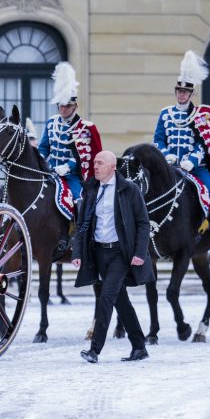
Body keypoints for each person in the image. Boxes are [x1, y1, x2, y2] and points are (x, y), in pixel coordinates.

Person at [72, 150, 155, 363]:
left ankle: (94, 350)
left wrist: (139, 252)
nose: (95, 166)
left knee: (106, 297)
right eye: (94, 163)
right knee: (121, 301)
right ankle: (139, 347)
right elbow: (82, 225)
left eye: (99, 163)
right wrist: (77, 252)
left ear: (112, 167)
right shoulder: (91, 189)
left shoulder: (129, 189)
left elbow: (143, 223)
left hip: (121, 253)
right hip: (99, 252)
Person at [154, 50, 210, 251]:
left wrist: (192, 161)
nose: (181, 94)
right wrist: (166, 154)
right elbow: (158, 139)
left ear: (191, 94)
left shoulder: (201, 115)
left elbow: (205, 143)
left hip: (195, 167)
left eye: (185, 92)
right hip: (170, 165)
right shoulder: (165, 113)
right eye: (179, 91)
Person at [38, 62, 102, 203]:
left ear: (75, 106)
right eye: (61, 106)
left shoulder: (83, 127)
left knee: (79, 199)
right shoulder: (51, 123)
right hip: (49, 172)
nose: (63, 109)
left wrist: (67, 167)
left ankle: (81, 225)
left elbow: (82, 155)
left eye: (67, 106)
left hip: (71, 175)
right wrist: (40, 159)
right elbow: (44, 148)